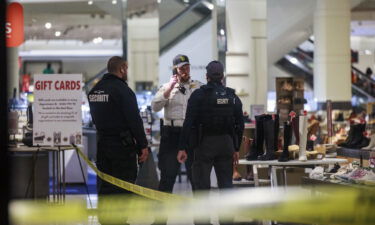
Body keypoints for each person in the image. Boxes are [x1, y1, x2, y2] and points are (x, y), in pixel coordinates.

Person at [177, 60, 244, 225]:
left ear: (206, 76)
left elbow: (189, 122)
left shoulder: (199, 95)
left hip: (204, 144)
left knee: (202, 188)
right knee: (226, 187)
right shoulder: (232, 96)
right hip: (227, 144)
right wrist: (236, 148)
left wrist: (182, 147)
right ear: (222, 76)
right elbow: (240, 124)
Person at [88, 56, 149, 225]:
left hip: (103, 147)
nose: (127, 72)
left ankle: (106, 220)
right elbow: (134, 120)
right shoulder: (123, 91)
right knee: (123, 185)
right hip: (122, 148)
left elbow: (94, 119)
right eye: (126, 68)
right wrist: (143, 145)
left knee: (105, 185)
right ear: (122, 68)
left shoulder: (94, 91)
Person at [151, 54, 202, 194]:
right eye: (181, 68)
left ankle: (201, 216)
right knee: (167, 178)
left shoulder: (197, 86)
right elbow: (155, 107)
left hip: (191, 134)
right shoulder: (166, 87)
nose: (185, 71)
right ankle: (161, 216)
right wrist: (170, 87)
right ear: (175, 70)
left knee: (196, 178)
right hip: (171, 134)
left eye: (187, 67)